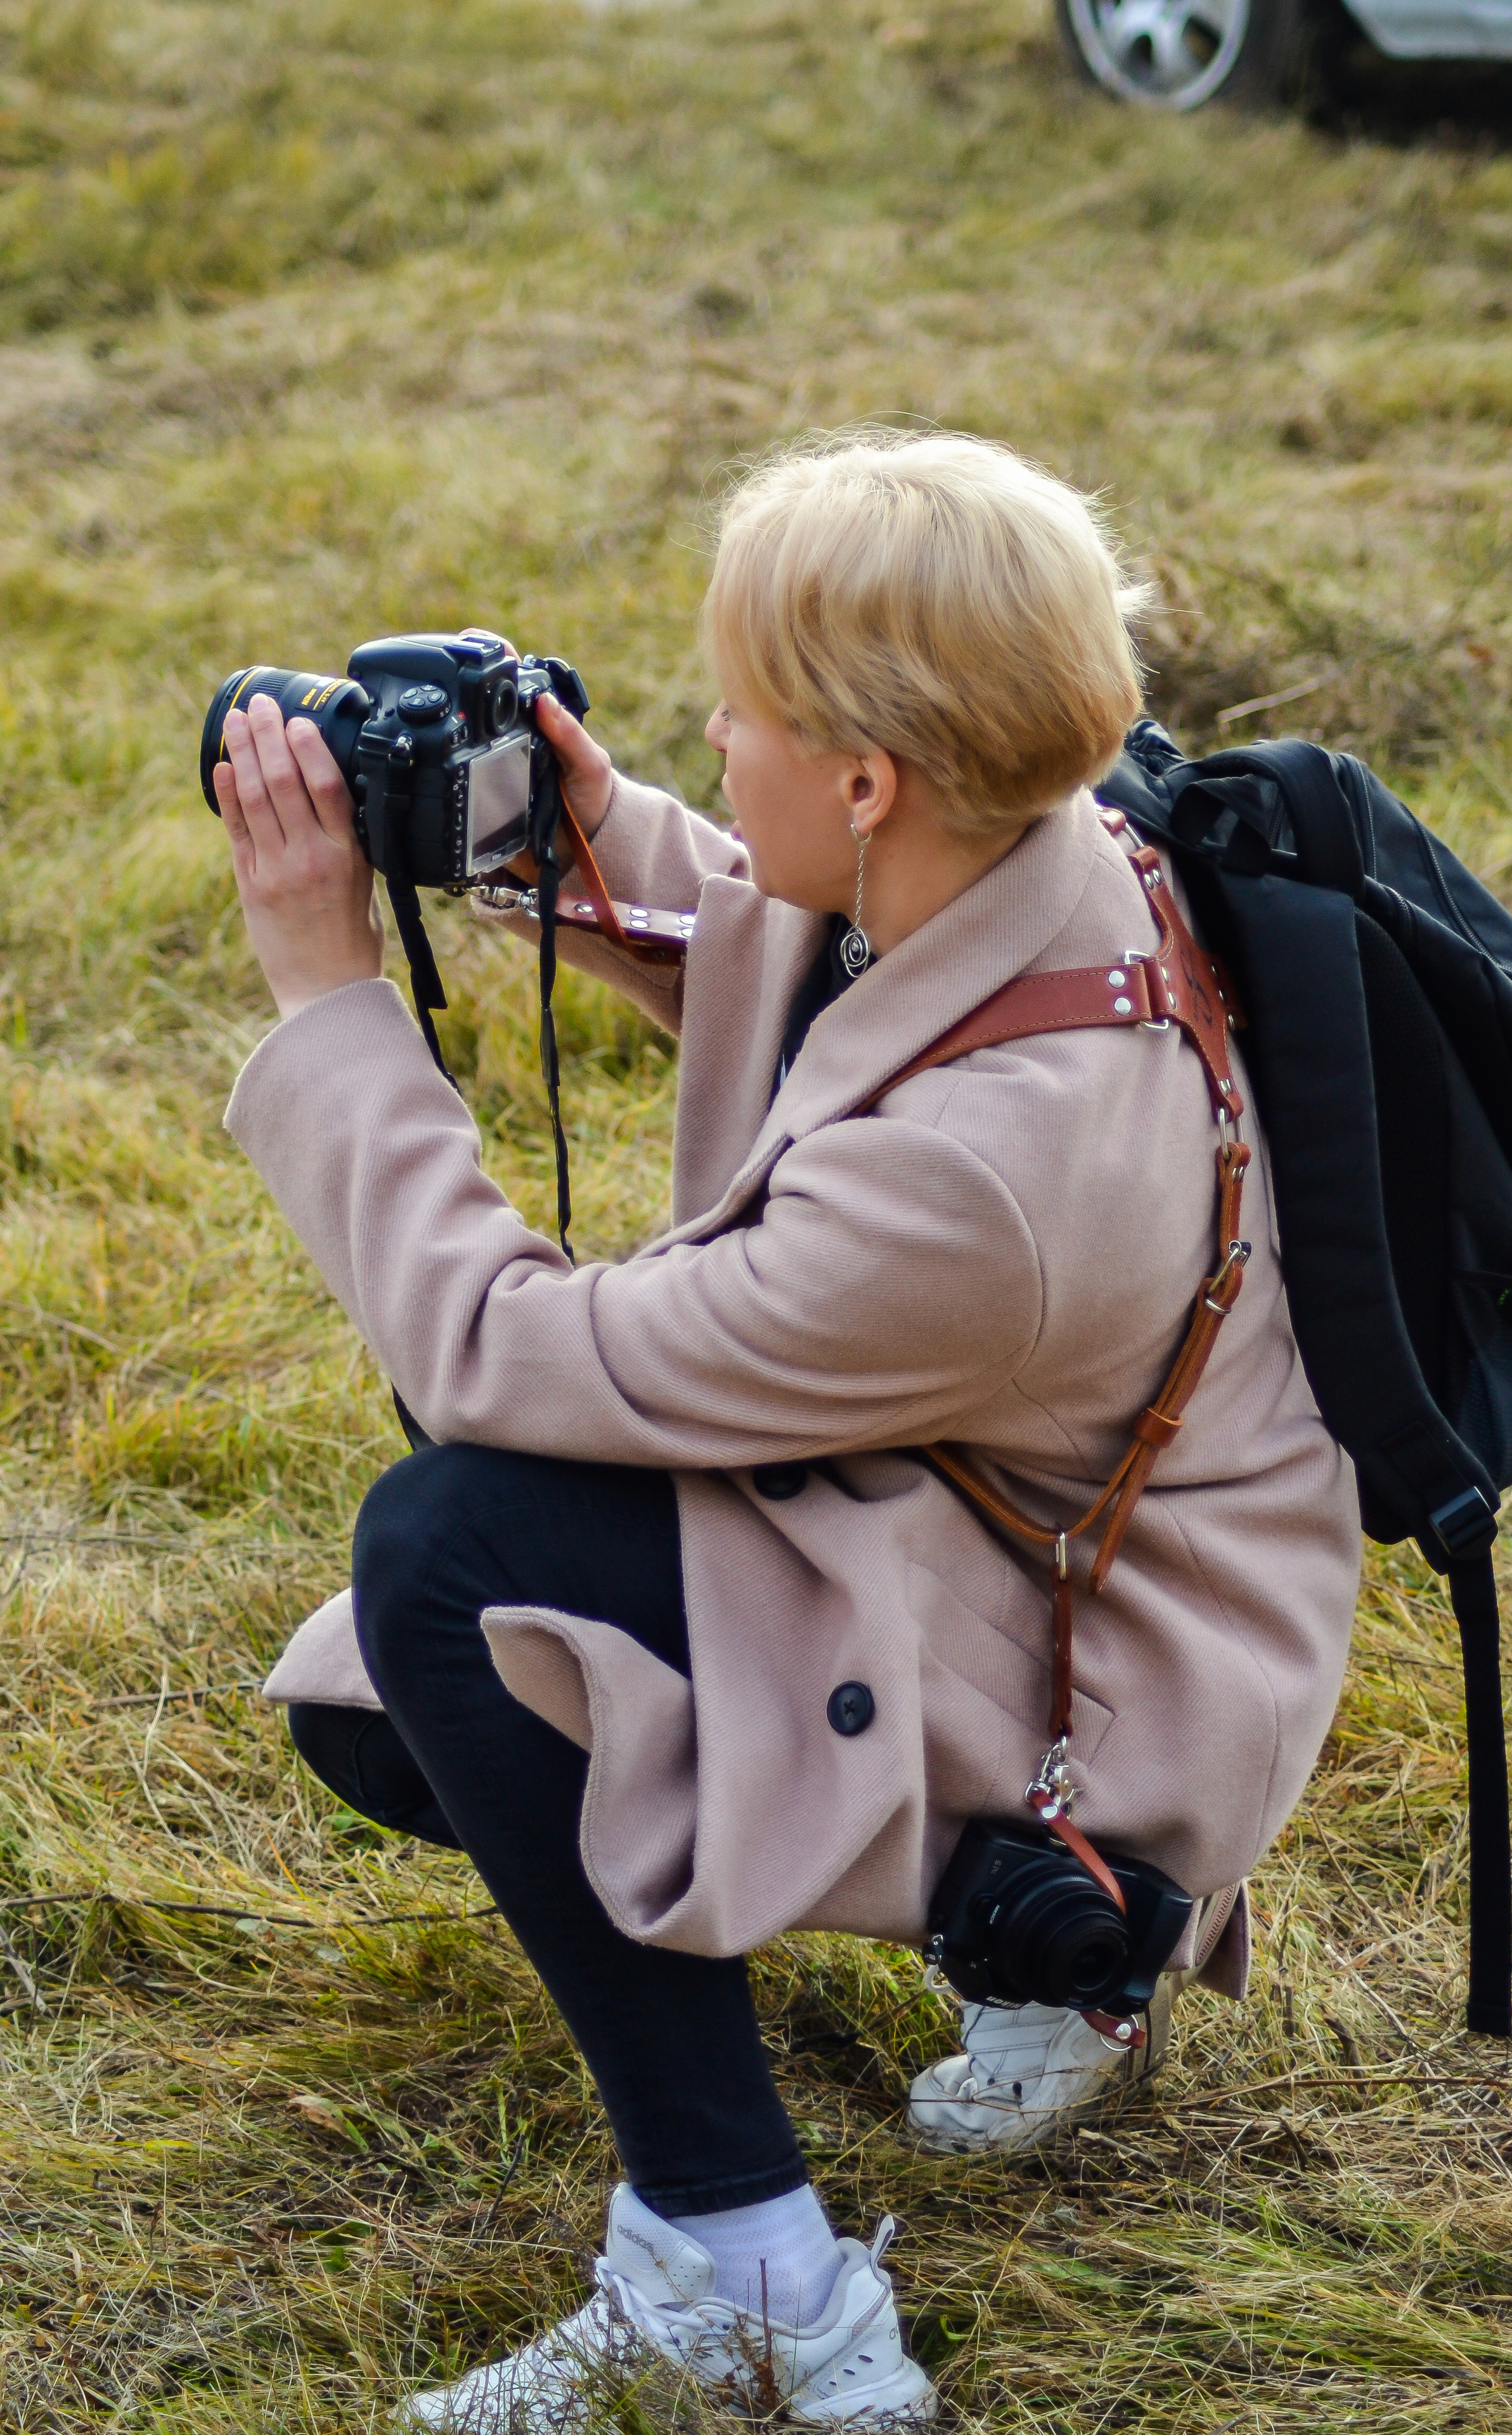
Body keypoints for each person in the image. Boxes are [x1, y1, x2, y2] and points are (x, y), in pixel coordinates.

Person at [212, 431, 1361, 2430]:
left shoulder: (984, 1188)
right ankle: (1030, 1950)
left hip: (1122, 1685)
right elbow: (831, 963)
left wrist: (332, 1003)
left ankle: (756, 2258)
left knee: (456, 1563)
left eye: (738, 709)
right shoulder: (1068, 840)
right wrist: (583, 851)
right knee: (385, 1718)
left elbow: (499, 1353)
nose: (711, 739)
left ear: (864, 781)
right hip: (1043, 1537)